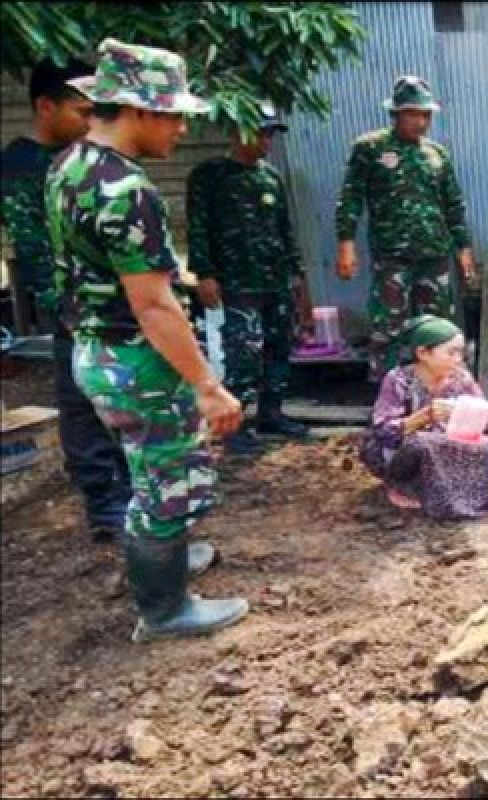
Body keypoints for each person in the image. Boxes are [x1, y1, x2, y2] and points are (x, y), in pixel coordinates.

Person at [46, 38, 249, 642]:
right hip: (138, 356)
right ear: (138, 111)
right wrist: (208, 386)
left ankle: (166, 559)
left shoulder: (70, 165)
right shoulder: (127, 191)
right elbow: (155, 306)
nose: (182, 129)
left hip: (97, 348)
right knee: (168, 481)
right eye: (175, 115)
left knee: (149, 468)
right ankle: (164, 611)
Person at [1, 57, 135, 543]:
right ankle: (106, 507)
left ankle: (131, 494)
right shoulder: (22, 166)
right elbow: (35, 251)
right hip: (74, 310)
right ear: (45, 106)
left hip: (107, 303)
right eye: (81, 111)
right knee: (82, 404)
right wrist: (71, 311)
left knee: (120, 398)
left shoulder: (82, 159)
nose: (89, 121)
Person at [335, 75, 475, 383]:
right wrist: (346, 243)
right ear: (396, 113)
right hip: (391, 257)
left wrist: (463, 249)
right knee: (388, 329)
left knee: (437, 330)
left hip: (434, 256)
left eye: (426, 115)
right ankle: (388, 400)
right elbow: (351, 198)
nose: (421, 121)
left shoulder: (437, 154)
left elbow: (453, 205)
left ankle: (438, 392)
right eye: (413, 114)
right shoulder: (370, 148)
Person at [187, 101, 309, 454]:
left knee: (278, 349)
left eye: (271, 133)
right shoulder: (210, 175)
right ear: (237, 131)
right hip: (236, 282)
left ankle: (271, 414)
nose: (266, 141)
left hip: (275, 281)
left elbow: (286, 233)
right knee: (242, 353)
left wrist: (299, 281)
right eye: (261, 132)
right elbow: (198, 227)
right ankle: (234, 426)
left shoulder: (270, 177)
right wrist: (204, 274)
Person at [360, 315, 488, 520]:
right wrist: (423, 417)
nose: (458, 359)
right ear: (423, 353)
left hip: (440, 447)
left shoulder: (461, 379)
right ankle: (402, 487)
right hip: (399, 451)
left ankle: (468, 503)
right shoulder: (398, 380)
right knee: (422, 443)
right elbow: (382, 430)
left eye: (461, 352)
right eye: (451, 353)